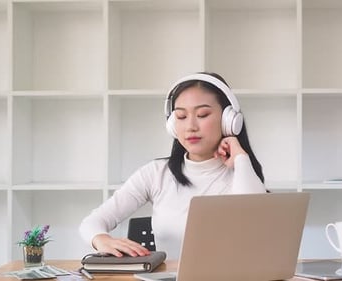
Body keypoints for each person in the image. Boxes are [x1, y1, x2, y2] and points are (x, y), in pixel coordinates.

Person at [79, 72, 266, 260]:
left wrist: (241, 158)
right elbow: (91, 223)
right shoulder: (156, 173)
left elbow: (257, 224)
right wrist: (101, 239)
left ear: (229, 120)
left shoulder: (242, 174)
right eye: (181, 116)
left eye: (203, 114)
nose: (190, 126)